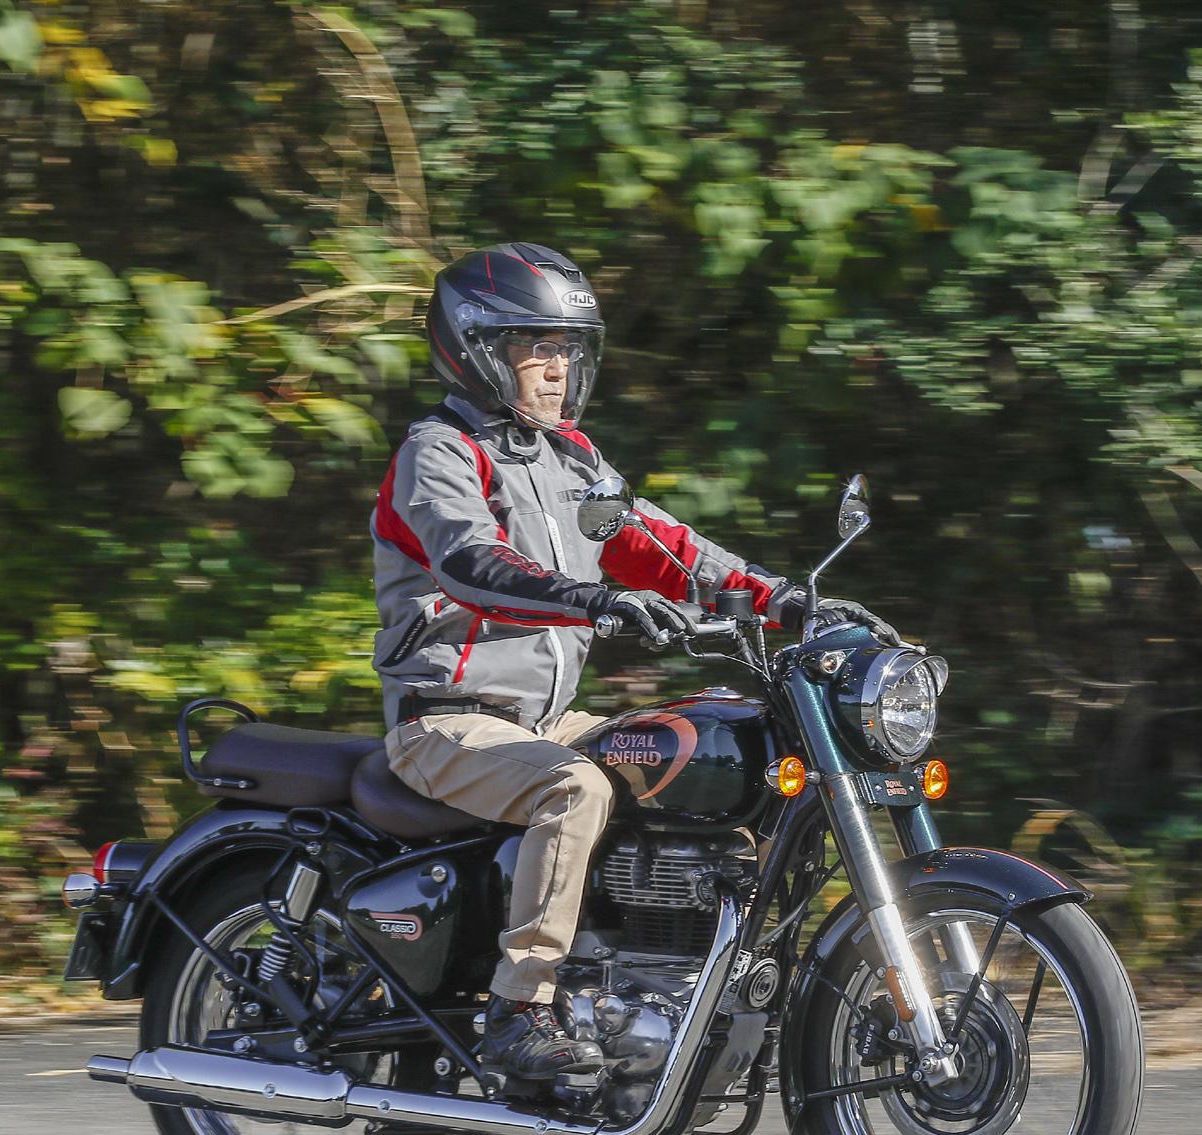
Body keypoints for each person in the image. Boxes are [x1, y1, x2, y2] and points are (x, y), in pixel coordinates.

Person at [370, 242, 884, 1081]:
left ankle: (693, 982)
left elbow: (663, 548)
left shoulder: (571, 459)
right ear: (475, 349)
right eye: (537, 348)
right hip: (448, 721)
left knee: (712, 755)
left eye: (569, 350)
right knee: (575, 788)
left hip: (546, 719)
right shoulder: (439, 452)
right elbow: (472, 563)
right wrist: (593, 600)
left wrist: (787, 600)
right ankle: (519, 1008)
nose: (559, 369)